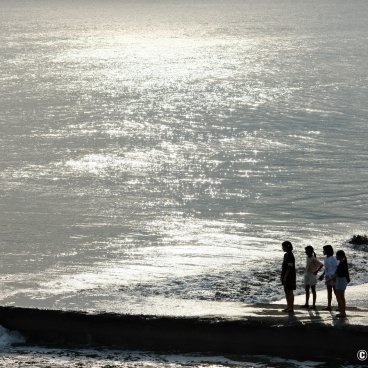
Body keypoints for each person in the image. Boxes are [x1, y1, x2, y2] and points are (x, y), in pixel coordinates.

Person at [318, 245, 339, 311]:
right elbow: (326, 268)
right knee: (329, 291)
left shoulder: (333, 258)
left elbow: (337, 267)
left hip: (333, 276)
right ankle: (329, 306)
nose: (323, 251)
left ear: (327, 250)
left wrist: (335, 276)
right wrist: (322, 275)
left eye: (324, 250)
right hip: (327, 276)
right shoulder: (325, 258)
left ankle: (339, 305)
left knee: (336, 292)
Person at [333, 250, 350, 318]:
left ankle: (342, 312)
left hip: (341, 280)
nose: (336, 256)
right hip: (343, 280)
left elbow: (338, 274)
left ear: (339, 256)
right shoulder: (343, 262)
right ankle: (343, 311)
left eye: (336, 255)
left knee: (338, 296)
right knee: (342, 296)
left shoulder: (342, 263)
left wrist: (330, 279)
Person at [281, 241, 296, 313]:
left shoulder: (290, 255)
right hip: (285, 274)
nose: (282, 248)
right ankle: (288, 306)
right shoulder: (286, 255)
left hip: (289, 276)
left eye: (283, 247)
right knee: (286, 291)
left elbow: (290, 267)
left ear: (287, 247)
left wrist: (285, 277)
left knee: (290, 291)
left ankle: (291, 307)